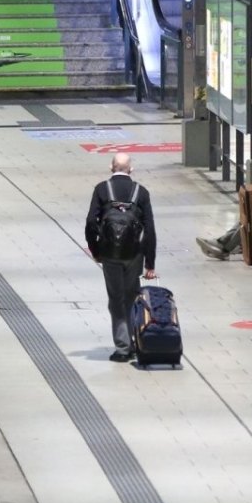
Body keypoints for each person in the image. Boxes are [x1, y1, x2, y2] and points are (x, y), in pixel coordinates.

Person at [85, 152, 157, 362]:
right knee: (131, 296)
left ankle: (123, 348)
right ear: (131, 169)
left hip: (110, 254)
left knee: (116, 299)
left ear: (111, 167)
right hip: (134, 254)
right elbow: (150, 229)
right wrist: (149, 263)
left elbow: (90, 222)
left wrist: (95, 250)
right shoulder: (140, 192)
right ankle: (136, 341)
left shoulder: (102, 189)